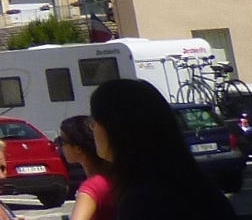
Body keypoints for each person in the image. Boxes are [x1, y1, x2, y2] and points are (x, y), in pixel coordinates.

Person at [88, 78, 231, 219]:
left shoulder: (144, 201)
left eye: (94, 121)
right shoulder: (193, 185)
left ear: (116, 128)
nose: (92, 128)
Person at [57, 116, 113, 220]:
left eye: (62, 141)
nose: (60, 146)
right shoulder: (117, 178)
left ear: (78, 148)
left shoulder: (92, 187)